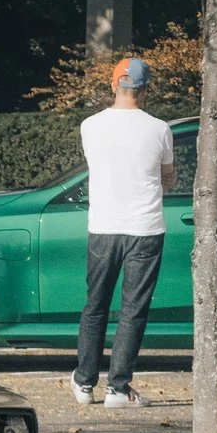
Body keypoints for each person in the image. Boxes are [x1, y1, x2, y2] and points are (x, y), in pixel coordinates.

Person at [70, 57, 175, 410]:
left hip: (103, 226)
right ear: (145, 90)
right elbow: (168, 177)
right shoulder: (160, 128)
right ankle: (118, 388)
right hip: (145, 228)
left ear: (115, 85)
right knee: (133, 310)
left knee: (95, 306)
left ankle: (84, 383)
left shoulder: (90, 126)